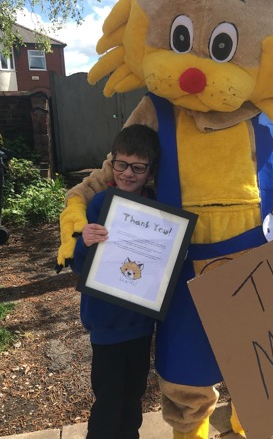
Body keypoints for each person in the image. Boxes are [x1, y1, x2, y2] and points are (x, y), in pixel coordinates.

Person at [70, 124, 160, 439]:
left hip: (140, 323)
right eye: (121, 164)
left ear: (150, 170)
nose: (127, 173)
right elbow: (80, 266)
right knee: (108, 401)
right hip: (106, 326)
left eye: (138, 167)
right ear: (112, 162)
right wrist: (85, 242)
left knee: (133, 398)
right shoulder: (99, 204)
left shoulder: (160, 209)